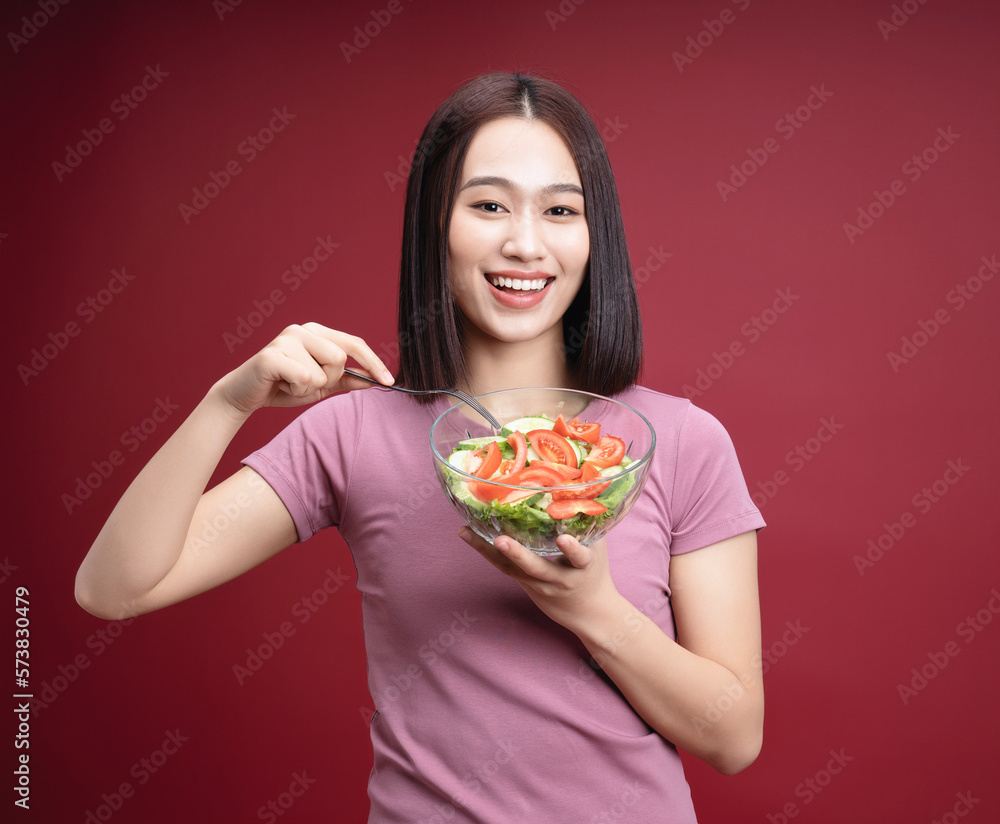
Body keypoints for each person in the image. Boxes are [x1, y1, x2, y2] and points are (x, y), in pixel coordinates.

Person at [76, 72, 765, 823]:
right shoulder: (354, 431)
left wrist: (595, 610)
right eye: (489, 204)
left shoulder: (679, 442)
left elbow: (733, 738)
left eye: (560, 210)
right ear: (435, 225)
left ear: (594, 233)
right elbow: (114, 589)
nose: (524, 243)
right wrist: (227, 402)